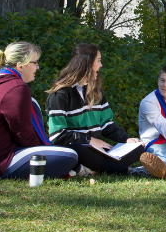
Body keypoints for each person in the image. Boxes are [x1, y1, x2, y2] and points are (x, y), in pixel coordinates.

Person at [0, 42, 79, 179]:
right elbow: (24, 136)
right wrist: (46, 152)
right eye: (35, 63)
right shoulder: (16, 87)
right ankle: (66, 169)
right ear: (20, 65)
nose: (38, 67)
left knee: (32, 104)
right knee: (70, 155)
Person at [46, 43, 146, 176]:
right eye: (98, 61)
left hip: (97, 151)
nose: (101, 65)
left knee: (138, 148)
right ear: (87, 64)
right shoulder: (60, 95)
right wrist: (89, 140)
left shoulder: (96, 91)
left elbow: (106, 124)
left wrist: (126, 139)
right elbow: (57, 135)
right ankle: (129, 171)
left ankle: (91, 169)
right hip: (77, 150)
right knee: (76, 148)